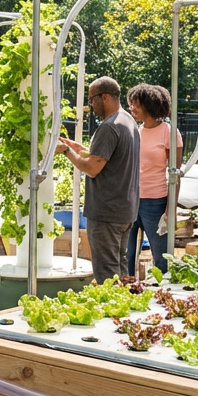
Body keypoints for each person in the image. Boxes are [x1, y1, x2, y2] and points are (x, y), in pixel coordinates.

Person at [56, 77, 140, 283]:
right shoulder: (128, 121)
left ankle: (112, 312)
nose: (90, 105)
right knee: (119, 269)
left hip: (106, 213)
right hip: (124, 210)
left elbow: (93, 169)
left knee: (107, 275)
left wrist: (67, 152)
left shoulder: (109, 127)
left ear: (105, 97)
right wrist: (82, 150)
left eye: (92, 99)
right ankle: (124, 312)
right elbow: (110, 159)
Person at [125, 83, 183, 276]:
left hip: (155, 202)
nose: (132, 108)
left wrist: (170, 211)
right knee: (127, 255)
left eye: (136, 104)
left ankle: (162, 294)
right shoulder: (135, 131)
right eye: (131, 103)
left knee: (161, 258)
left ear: (150, 105)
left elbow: (175, 174)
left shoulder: (169, 132)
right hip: (131, 200)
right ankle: (127, 291)